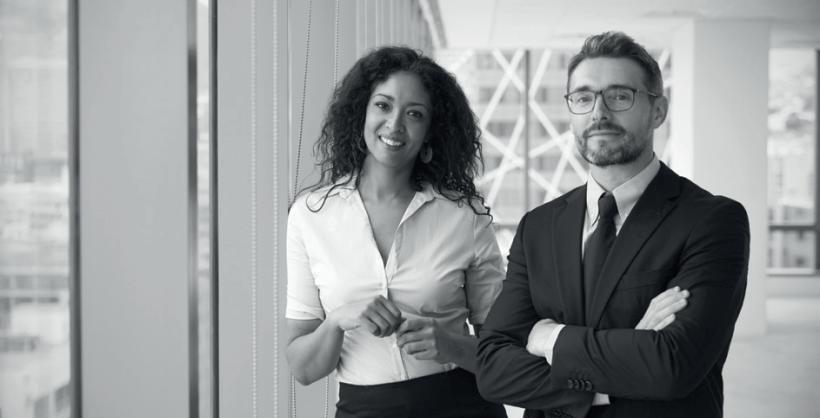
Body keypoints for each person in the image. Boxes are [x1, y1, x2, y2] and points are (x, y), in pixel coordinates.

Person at [476, 31, 750, 418]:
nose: (599, 112)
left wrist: (549, 337)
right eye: (583, 98)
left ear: (658, 111)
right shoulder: (538, 226)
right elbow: (492, 369)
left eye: (620, 96)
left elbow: (672, 366)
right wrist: (627, 360)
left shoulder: (712, 220)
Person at [286, 46, 508, 418]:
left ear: (431, 130)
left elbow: (506, 354)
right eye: (383, 106)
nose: (395, 125)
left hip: (462, 405)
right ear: (361, 111)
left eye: (414, 114)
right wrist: (338, 319)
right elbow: (304, 369)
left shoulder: (464, 217)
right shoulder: (310, 216)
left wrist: (451, 345)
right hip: (363, 409)